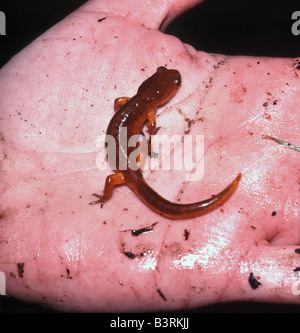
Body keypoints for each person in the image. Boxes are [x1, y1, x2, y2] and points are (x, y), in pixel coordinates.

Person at [0, 0, 299, 312]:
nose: (172, 76)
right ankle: (115, 189)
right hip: (126, 170)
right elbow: (144, 121)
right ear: (159, 94)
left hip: (122, 170)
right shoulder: (149, 111)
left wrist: (110, 187)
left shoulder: (137, 102)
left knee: (119, 175)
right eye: (170, 79)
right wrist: (148, 133)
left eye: (172, 79)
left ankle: (109, 193)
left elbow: (120, 103)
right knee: (124, 174)